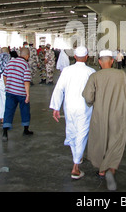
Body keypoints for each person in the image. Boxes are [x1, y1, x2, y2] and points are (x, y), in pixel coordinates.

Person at [82, 50, 126, 191]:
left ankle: (101, 169)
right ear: (112, 61)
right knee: (116, 139)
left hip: (100, 113)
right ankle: (111, 167)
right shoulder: (121, 75)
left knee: (100, 139)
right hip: (118, 113)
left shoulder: (94, 76)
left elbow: (88, 97)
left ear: (99, 61)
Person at [49, 46, 96, 179]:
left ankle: (77, 156)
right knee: (82, 132)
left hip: (69, 107)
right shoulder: (91, 71)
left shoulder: (67, 71)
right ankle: (75, 166)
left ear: (74, 57)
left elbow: (59, 89)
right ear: (86, 57)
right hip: (84, 107)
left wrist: (56, 107)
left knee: (71, 130)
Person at [2, 47, 33, 141]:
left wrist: (7, 86)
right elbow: (26, 81)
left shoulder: (10, 62)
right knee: (25, 110)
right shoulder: (25, 65)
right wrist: (27, 94)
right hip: (21, 93)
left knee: (8, 110)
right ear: (27, 56)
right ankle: (25, 130)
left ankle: (5, 133)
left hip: (10, 91)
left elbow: (4, 75)